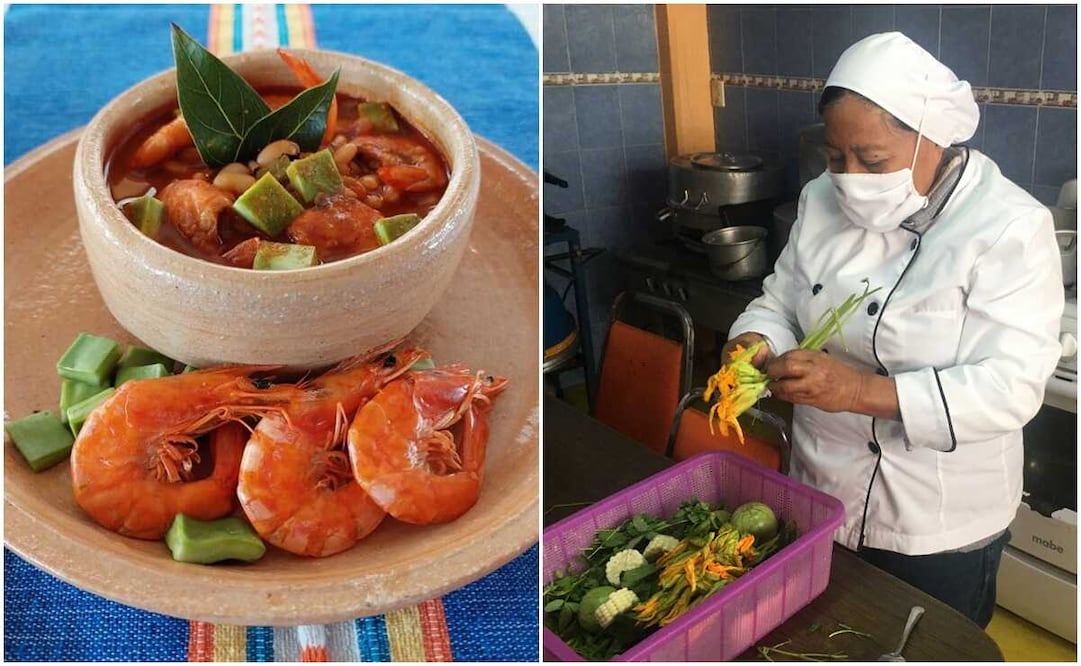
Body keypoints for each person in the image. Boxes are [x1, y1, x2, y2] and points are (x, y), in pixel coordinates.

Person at [723, 32, 1064, 628]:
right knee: (826, 637)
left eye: (872, 159)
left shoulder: (1007, 225)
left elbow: (1009, 387)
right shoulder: (819, 199)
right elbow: (780, 299)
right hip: (822, 488)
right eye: (835, 156)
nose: (850, 176)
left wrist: (857, 392)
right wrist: (756, 340)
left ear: (932, 136)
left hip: (936, 518)